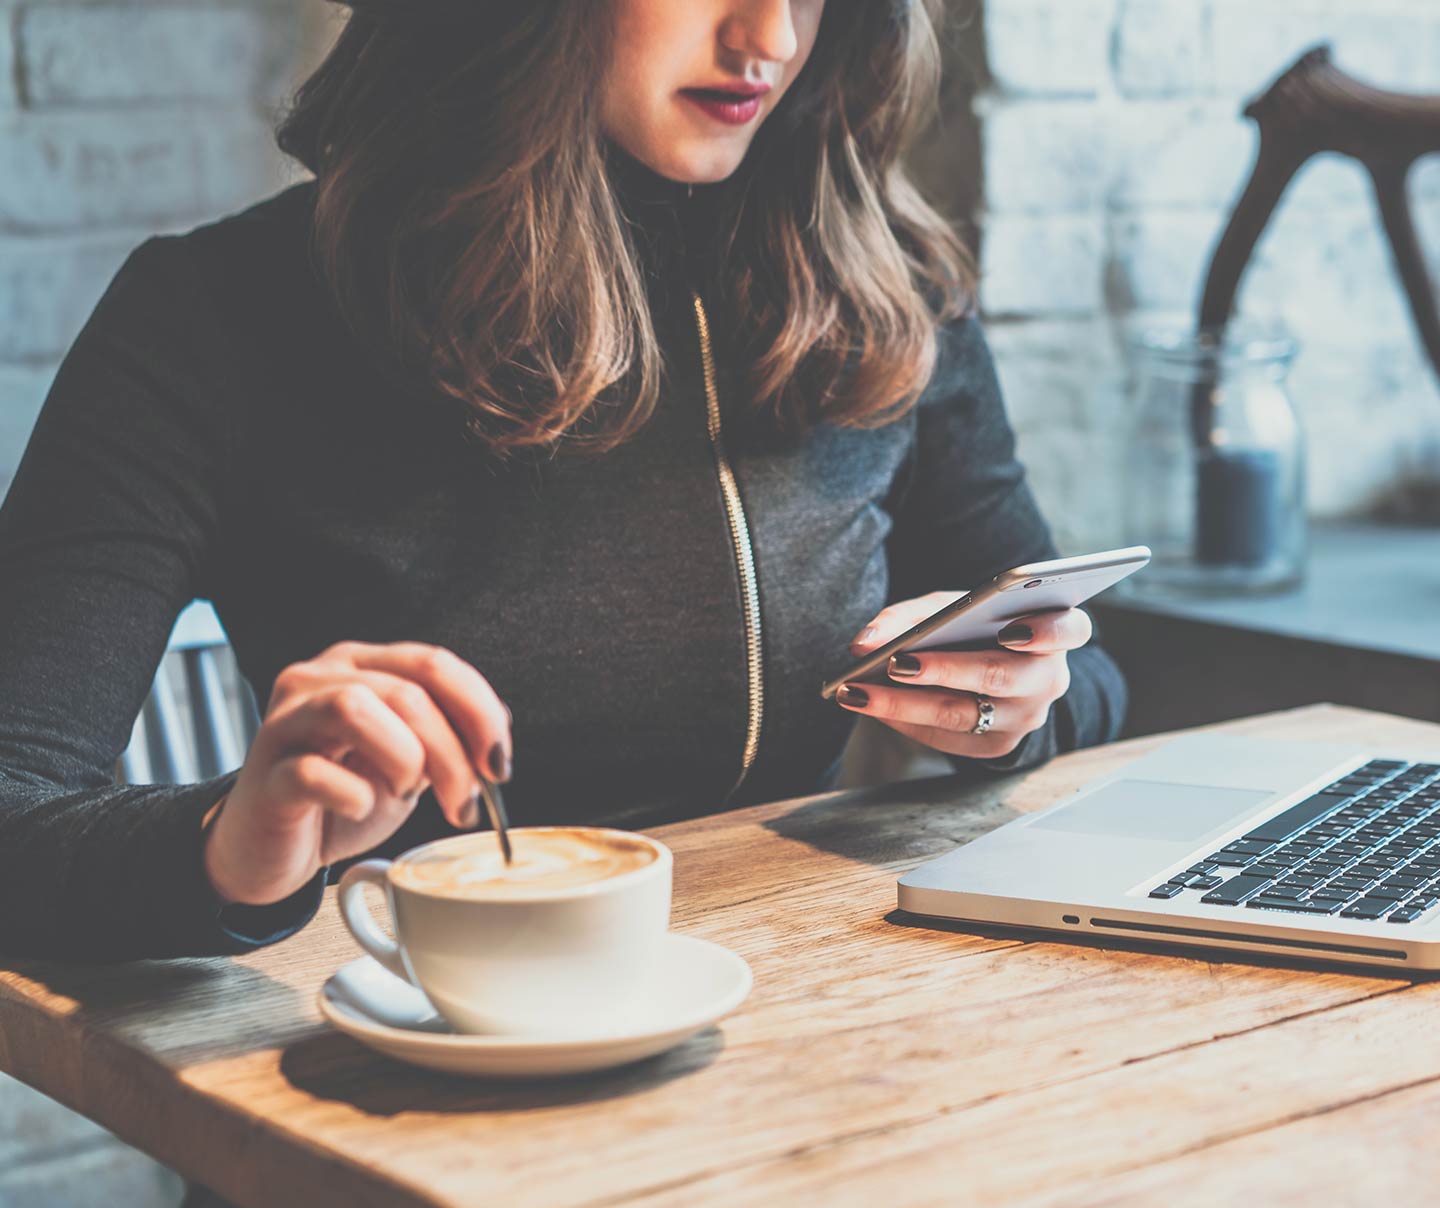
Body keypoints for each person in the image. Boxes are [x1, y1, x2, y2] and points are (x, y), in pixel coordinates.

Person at [0, 0, 1126, 962]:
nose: (770, 36)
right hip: (398, 1060)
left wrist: (1015, 705)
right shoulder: (213, 315)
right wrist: (224, 843)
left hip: (819, 1034)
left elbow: (1096, 681)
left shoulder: (884, 286)